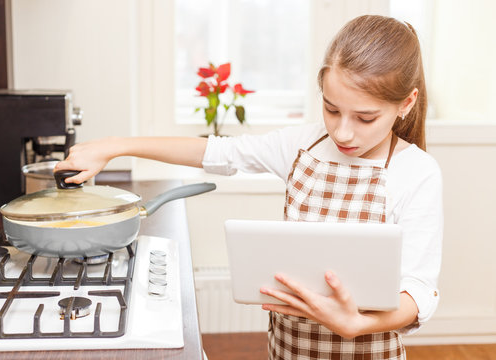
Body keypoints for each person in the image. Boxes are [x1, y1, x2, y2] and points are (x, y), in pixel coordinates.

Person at [55, 15, 442, 360]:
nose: (342, 131)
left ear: (406, 103)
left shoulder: (416, 172)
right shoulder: (302, 146)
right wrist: (117, 146)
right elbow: (220, 152)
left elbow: (418, 292)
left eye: (365, 117)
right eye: (331, 108)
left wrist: (356, 324)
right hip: (287, 348)